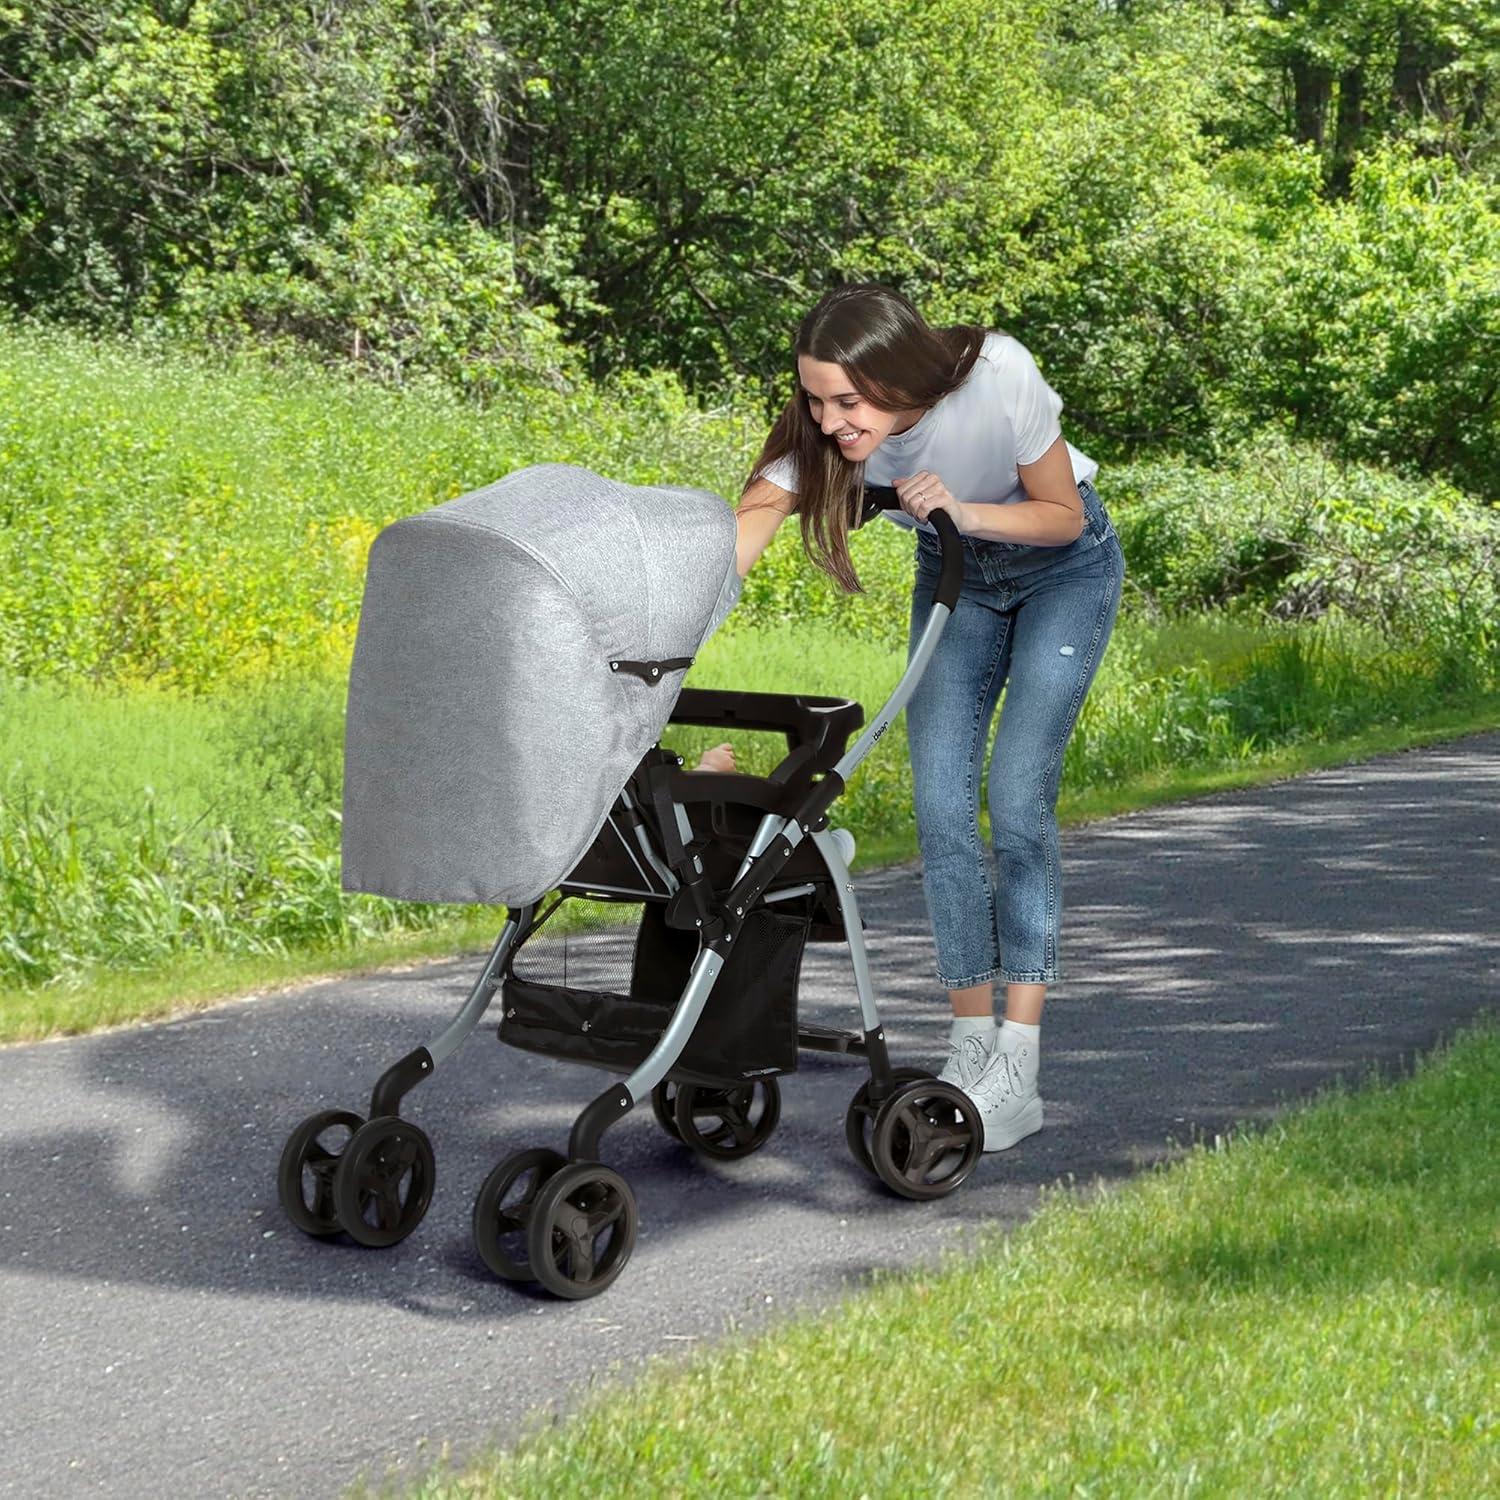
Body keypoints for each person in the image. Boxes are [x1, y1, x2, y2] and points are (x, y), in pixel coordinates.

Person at [733, 282, 1125, 1152]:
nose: (832, 420)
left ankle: (1018, 1061)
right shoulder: (828, 436)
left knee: (1018, 800)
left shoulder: (998, 377)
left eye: (849, 399)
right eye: (815, 398)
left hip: (1063, 572)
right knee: (943, 812)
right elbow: (741, 538)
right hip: (957, 578)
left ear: (900, 375)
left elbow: (1062, 518)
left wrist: (961, 511)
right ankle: (971, 1042)